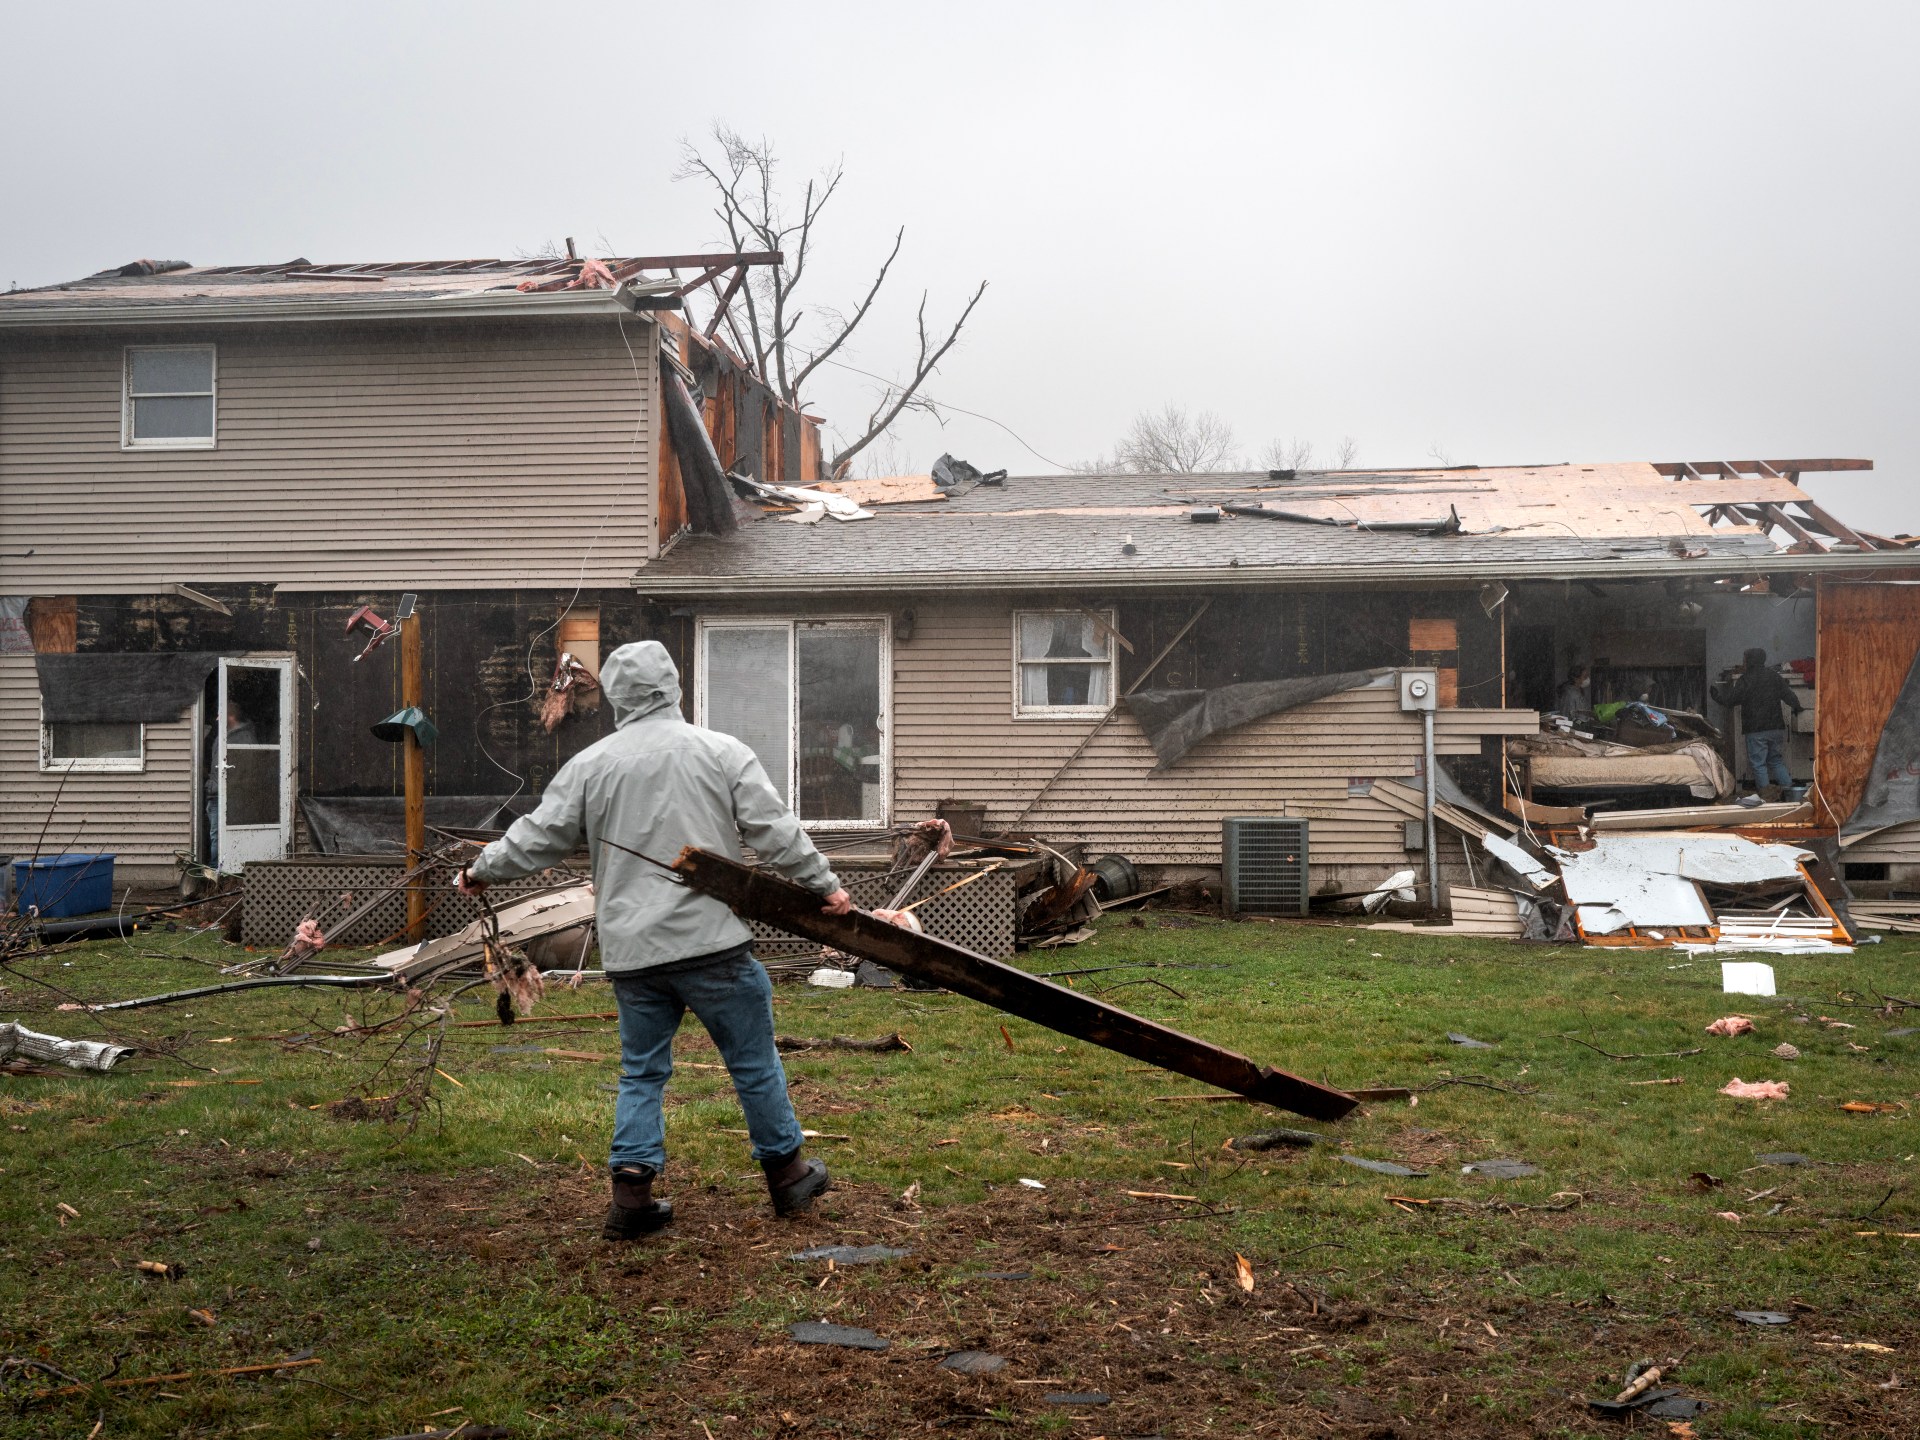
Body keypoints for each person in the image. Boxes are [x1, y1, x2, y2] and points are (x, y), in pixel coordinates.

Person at [455, 641, 853, 1242]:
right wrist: (824, 885)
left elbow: (537, 836)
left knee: (641, 1072)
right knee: (752, 1060)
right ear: (674, 687)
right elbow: (774, 831)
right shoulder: (721, 751)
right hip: (713, 945)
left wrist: (482, 868)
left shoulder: (590, 766)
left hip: (633, 953)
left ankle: (632, 1198)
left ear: (616, 698)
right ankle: (788, 1175)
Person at [1711, 647, 1803, 798]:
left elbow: (1730, 700)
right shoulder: (1773, 676)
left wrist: (1716, 697)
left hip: (1756, 730)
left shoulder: (1745, 679)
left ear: (1749, 661)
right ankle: (1791, 795)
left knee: (1759, 764)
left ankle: (1767, 797)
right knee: (1776, 761)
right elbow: (1789, 696)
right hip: (1776, 728)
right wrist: (1798, 708)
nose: (1743, 663)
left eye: (1744, 660)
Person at [203, 700, 258, 867]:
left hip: (233, 794)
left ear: (231, 716)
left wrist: (236, 786)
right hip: (215, 793)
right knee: (215, 835)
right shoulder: (221, 736)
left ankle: (226, 870)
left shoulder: (244, 738)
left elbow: (248, 769)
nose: (217, 718)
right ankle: (216, 870)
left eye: (220, 715)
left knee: (227, 834)